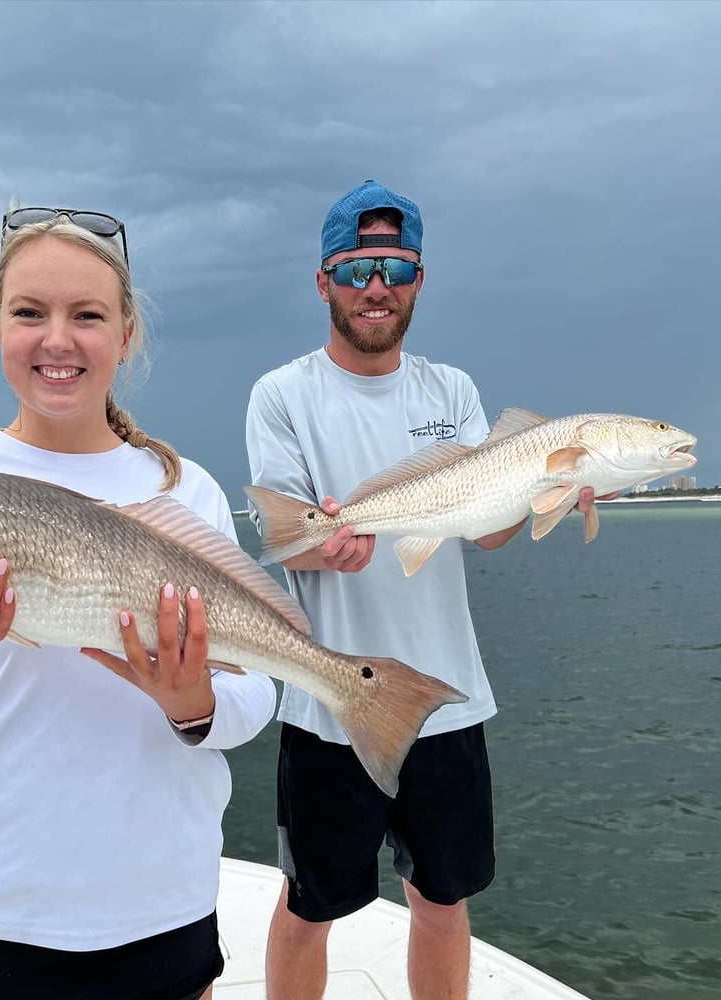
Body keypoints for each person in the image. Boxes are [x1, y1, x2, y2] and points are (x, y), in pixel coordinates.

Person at [0, 206, 276, 1000]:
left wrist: (195, 704)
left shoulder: (185, 494)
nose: (56, 339)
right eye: (28, 313)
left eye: (86, 315)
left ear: (126, 334)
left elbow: (255, 698)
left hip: (157, 909)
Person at [245, 180, 603, 1000]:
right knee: (310, 905)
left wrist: (554, 489)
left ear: (419, 281)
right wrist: (327, 548)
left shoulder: (452, 392)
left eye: (397, 269)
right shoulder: (283, 395)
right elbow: (289, 539)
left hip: (449, 699)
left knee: (442, 901)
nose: (378, 289)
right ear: (324, 280)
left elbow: (487, 526)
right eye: (358, 268)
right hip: (330, 705)